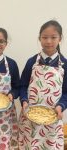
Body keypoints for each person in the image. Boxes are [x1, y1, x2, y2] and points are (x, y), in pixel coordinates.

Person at [18, 20, 67, 150]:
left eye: (53, 37)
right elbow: (22, 86)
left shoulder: (65, 64)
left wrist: (61, 106)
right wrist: (24, 101)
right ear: (39, 38)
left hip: (53, 118)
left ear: (60, 38)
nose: (49, 41)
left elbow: (66, 92)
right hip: (30, 117)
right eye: (45, 37)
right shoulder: (31, 62)